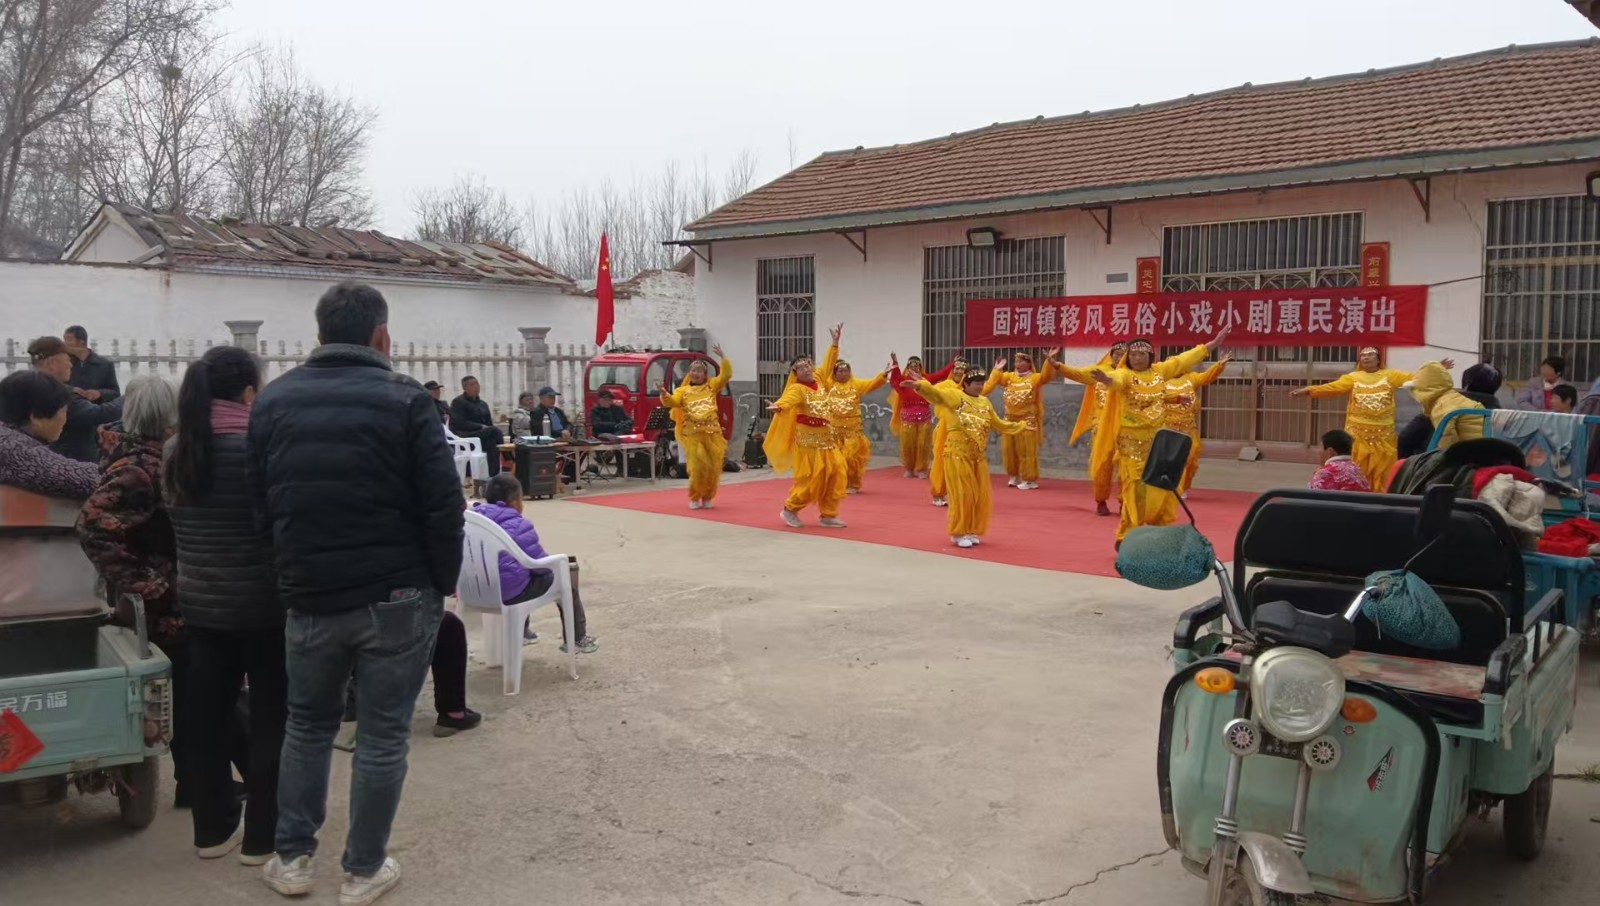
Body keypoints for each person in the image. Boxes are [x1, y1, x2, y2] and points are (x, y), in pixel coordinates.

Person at [248, 281, 464, 905]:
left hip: (310, 594)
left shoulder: (274, 400)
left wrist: (286, 574)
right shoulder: (406, 400)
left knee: (307, 726)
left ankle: (292, 860)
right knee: (383, 734)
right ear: (381, 336)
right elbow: (443, 506)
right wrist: (442, 582)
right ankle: (363, 871)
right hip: (397, 594)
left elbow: (260, 506)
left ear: (319, 333)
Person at [162, 346, 286, 864]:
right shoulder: (260, 447)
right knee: (271, 719)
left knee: (207, 719)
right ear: (249, 393)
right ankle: (262, 838)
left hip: (202, 607)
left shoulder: (176, 450)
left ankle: (212, 832)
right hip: (265, 607)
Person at [75, 376, 195, 805]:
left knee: (185, 693)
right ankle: (195, 785)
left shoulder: (131, 455)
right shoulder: (140, 468)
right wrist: (148, 583)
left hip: (162, 599)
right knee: (188, 694)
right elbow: (93, 526)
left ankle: (193, 784)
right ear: (168, 417)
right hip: (163, 604)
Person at [1088, 329, 1230, 548]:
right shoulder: (1125, 375)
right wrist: (1107, 379)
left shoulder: (1159, 372)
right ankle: (1127, 534)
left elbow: (1183, 359)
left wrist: (1211, 345)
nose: (1137, 358)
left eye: (1141, 354)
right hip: (1131, 445)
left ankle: (1157, 528)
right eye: (1133, 355)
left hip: (1157, 443)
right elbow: (1117, 380)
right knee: (1135, 490)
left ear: (1150, 356)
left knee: (1161, 486)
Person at [1288, 347, 1452, 492]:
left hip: (1383, 438)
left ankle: (1383, 500)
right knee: (1358, 470)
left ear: (1378, 359)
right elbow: (1332, 387)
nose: (1366, 357)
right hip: (1358, 436)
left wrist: (1437, 369)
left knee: (1384, 471)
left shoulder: (1390, 375)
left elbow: (1415, 378)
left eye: (1370, 354)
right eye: (1363, 355)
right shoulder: (1353, 377)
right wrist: (1308, 390)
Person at [474, 473, 597, 653]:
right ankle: (578, 638)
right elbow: (542, 567)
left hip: (475, 590)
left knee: (517, 571)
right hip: (508, 594)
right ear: (516, 501)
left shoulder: (472, 519)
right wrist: (558, 568)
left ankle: (523, 632)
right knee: (563, 579)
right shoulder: (518, 525)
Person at [908, 370, 1030, 548]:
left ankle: (970, 529)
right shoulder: (956, 396)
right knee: (962, 494)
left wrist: (1020, 427)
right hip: (956, 455)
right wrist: (921, 386)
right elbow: (937, 396)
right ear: (966, 384)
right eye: (977, 383)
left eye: (982, 383)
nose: (980, 387)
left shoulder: (985, 402)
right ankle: (958, 532)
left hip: (977, 458)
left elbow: (998, 423)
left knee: (977, 495)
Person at [764, 354, 848, 528]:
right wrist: (779, 406)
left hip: (827, 441)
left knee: (835, 474)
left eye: (807, 365)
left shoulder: (819, 380)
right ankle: (790, 509)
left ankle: (828, 515)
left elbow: (828, 364)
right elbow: (788, 400)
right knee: (811, 481)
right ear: (795, 373)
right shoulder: (797, 389)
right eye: (800, 368)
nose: (806, 369)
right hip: (808, 445)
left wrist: (835, 344)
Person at [0, 370, 99, 499]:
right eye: (64, 411)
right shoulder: (14, 448)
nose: (65, 419)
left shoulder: (7, 437)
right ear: (36, 417)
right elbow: (84, 480)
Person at [658, 346, 731, 509]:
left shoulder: (711, 386)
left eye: (699, 371)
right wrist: (664, 394)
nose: (695, 373)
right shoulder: (683, 391)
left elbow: (725, 375)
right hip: (694, 436)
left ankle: (707, 496)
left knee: (712, 469)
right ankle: (694, 497)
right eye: (693, 370)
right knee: (697, 468)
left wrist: (723, 356)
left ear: (705, 374)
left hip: (713, 436)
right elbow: (672, 402)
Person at [817, 325, 888, 494]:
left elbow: (872, 384)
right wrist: (835, 344)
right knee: (835, 459)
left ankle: (852, 483)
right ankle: (837, 483)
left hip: (852, 431)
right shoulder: (828, 384)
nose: (843, 373)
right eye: (840, 371)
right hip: (834, 431)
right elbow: (828, 364)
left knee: (851, 458)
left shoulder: (856, 384)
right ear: (835, 373)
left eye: (846, 370)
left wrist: (883, 375)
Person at [28, 335, 121, 463]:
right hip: (70, 462)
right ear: (51, 364)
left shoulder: (27, 386)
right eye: (67, 359)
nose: (71, 364)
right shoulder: (57, 392)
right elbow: (99, 414)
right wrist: (133, 397)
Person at [982, 348, 1061, 490]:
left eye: (1020, 361)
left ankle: (1029, 479)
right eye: (1016, 361)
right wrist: (996, 370)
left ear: (1029, 363)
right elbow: (992, 383)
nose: (1017, 364)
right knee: (1009, 450)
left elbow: (1047, 376)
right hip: (1009, 419)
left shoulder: (1035, 378)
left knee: (1027, 450)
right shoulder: (1009, 377)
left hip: (1027, 419)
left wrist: (1049, 361)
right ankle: (1014, 475)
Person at [1066, 343, 1126, 516]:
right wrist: (1058, 366)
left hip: (1126, 428)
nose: (1119, 357)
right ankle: (1101, 499)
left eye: (1123, 354)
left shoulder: (1131, 374)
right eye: (1117, 353)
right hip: (1101, 427)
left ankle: (1125, 501)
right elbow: (1078, 374)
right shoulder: (1099, 372)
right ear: (1111, 355)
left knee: (1126, 467)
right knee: (1102, 465)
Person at [1162, 356, 1231, 496]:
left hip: (1188, 427)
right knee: (1168, 459)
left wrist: (1218, 365)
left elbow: (1206, 377)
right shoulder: (1160, 380)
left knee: (1189, 457)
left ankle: (1181, 487)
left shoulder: (1191, 377)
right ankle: (1168, 486)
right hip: (1166, 427)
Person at [885, 354, 951, 478]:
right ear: (908, 367)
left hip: (924, 418)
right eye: (912, 366)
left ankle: (921, 469)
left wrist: (953, 364)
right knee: (907, 445)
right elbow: (895, 378)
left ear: (921, 367)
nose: (915, 368)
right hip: (908, 418)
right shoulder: (904, 381)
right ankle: (909, 468)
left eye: (917, 366)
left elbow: (942, 374)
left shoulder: (926, 380)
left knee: (923, 444)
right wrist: (895, 363)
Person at [1408, 361, 1485, 450]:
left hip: (1469, 454)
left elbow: (1446, 435)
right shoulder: (1456, 398)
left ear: (1423, 390)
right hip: (1485, 449)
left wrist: (1448, 456)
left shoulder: (1440, 405)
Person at [927, 357, 970, 507]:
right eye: (956, 368)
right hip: (945, 429)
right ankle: (938, 492)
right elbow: (930, 391)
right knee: (941, 460)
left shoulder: (969, 387)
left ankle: (960, 494)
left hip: (965, 429)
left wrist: (996, 372)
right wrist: (920, 383)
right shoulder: (944, 385)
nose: (959, 371)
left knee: (963, 462)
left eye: (962, 369)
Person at [448, 376, 504, 476]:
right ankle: (508, 457)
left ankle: (492, 474)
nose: (476, 387)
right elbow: (459, 422)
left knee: (492, 441)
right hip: (465, 434)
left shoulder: (483, 404)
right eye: (472, 385)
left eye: (477, 384)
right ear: (465, 388)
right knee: (494, 431)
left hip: (482, 434)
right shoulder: (458, 402)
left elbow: (489, 423)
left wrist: (487, 428)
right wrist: (480, 426)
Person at [63, 325, 121, 401]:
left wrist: (99, 393)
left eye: (69, 340)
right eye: (64, 340)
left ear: (81, 342)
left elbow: (115, 393)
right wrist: (72, 390)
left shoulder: (104, 364)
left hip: (96, 407)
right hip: (71, 406)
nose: (64, 343)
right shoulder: (65, 363)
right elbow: (57, 387)